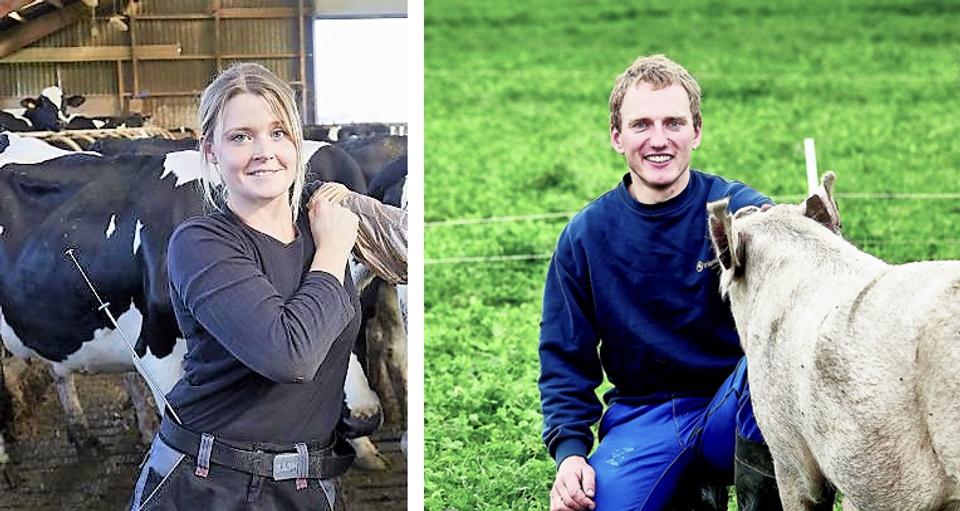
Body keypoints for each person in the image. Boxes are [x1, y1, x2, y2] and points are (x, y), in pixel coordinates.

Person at [538, 54, 786, 511]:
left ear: (697, 131)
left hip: (733, 408)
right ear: (617, 136)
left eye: (674, 122)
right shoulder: (586, 235)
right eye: (641, 125)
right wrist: (570, 454)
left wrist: (806, 237)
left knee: (773, 365)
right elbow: (563, 358)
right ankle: (687, 492)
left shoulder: (735, 209)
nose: (659, 140)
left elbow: (783, 244)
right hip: (642, 417)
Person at [129, 62, 360, 510]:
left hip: (307, 485)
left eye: (278, 132)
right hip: (206, 484)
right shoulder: (200, 243)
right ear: (211, 151)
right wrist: (335, 251)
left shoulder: (322, 228)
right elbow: (289, 355)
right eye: (240, 136)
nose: (264, 151)